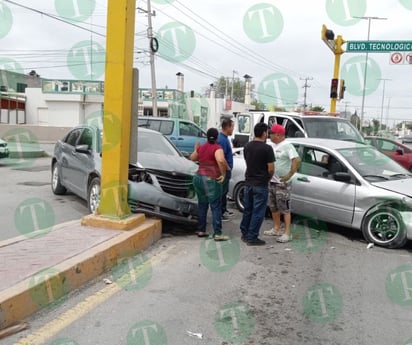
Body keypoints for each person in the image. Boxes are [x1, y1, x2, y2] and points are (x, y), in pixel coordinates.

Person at [190, 128, 231, 241]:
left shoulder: (202, 147)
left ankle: (201, 230)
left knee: (202, 205)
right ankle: (217, 233)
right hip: (211, 179)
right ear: (217, 137)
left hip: (199, 178)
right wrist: (223, 174)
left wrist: (196, 149)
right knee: (215, 206)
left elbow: (192, 158)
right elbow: (221, 160)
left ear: (207, 137)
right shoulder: (217, 148)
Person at [264, 124, 301, 243]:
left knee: (284, 208)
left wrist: (290, 174)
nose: (270, 135)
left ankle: (287, 233)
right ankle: (276, 228)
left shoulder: (288, 146)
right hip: (272, 181)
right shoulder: (272, 146)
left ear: (278, 135)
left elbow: (296, 159)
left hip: (282, 183)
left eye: (272, 133)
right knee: (273, 206)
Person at [240, 122, 275, 246]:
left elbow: (247, 161)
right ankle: (252, 236)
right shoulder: (267, 149)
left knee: (247, 209)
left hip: (248, 181)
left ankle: (244, 233)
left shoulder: (247, 146)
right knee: (258, 212)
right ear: (264, 133)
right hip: (260, 183)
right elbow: (271, 168)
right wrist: (268, 178)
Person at [217, 117, 235, 221]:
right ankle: (221, 213)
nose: (233, 129)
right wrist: (227, 169)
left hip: (226, 170)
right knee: (222, 192)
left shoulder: (224, 138)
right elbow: (221, 158)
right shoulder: (222, 140)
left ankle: (223, 210)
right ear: (227, 127)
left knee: (224, 192)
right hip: (224, 171)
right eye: (232, 127)